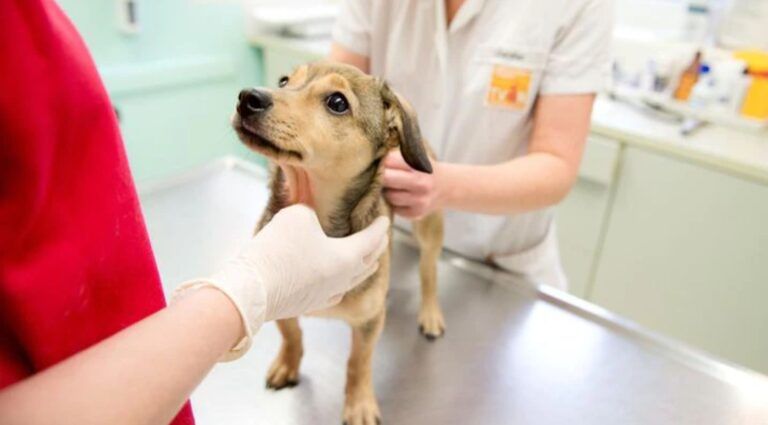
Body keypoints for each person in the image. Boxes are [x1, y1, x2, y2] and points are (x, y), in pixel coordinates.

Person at [0, 1, 389, 424]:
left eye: (333, 102)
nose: (268, 95)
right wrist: (254, 290)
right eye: (283, 82)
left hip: (124, 357)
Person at [330, 0, 613, 289]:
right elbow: (332, 106)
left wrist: (442, 185)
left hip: (499, 264)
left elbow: (556, 165)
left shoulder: (577, 6)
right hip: (386, 244)